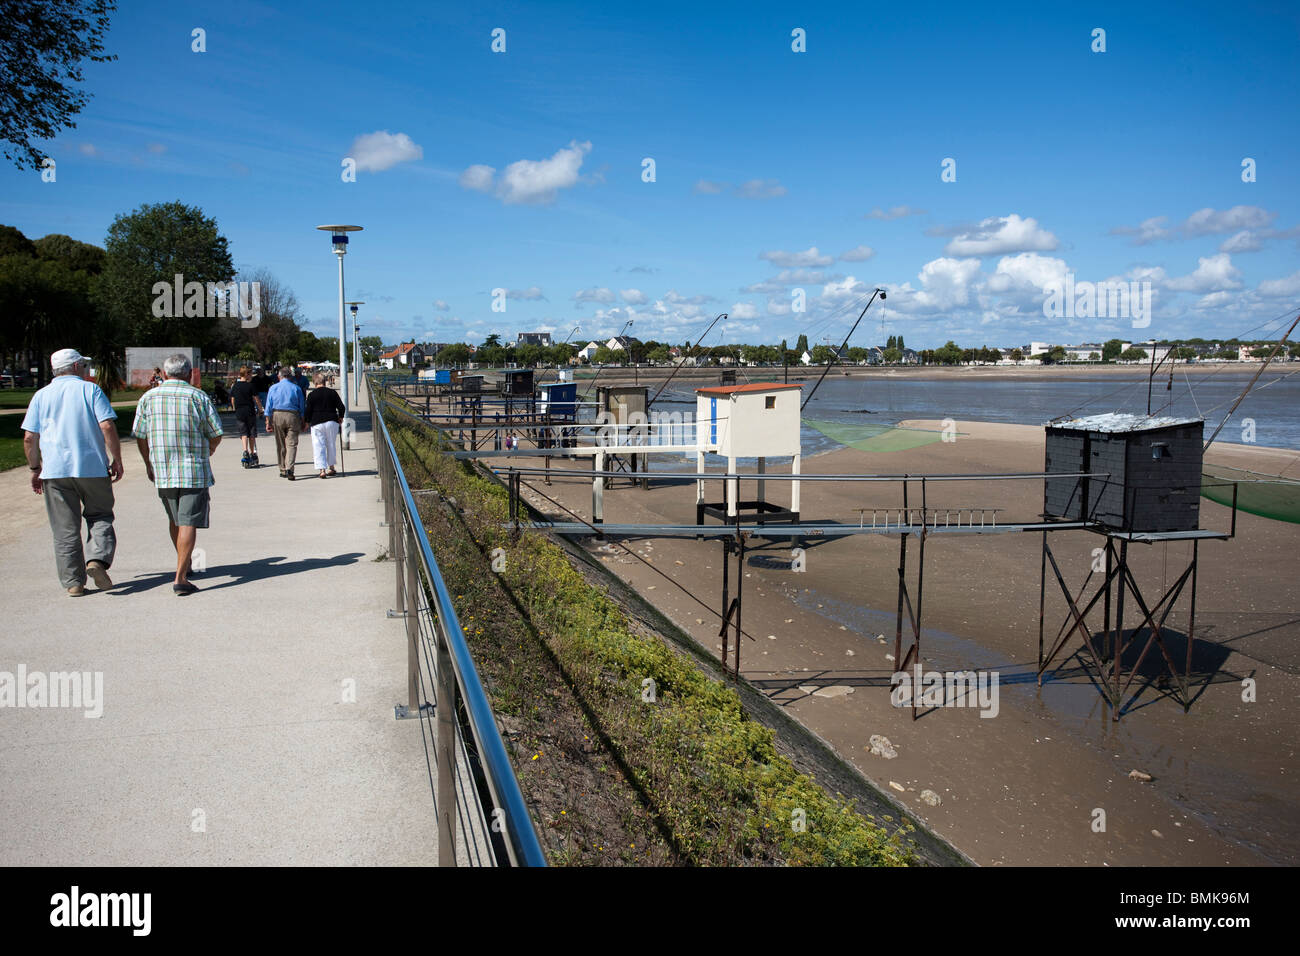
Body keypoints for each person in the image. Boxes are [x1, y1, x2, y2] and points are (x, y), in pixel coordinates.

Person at [20, 348, 125, 596]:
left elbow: (29, 438)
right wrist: (116, 459)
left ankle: (74, 582)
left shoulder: (41, 396)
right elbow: (107, 425)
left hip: (55, 470)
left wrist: (35, 468)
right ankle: (97, 560)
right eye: (84, 365)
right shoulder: (91, 390)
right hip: (92, 468)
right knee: (100, 516)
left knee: (64, 528)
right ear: (76, 367)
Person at [132, 353, 223, 596]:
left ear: (164, 373)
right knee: (188, 520)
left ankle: (184, 563)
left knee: (175, 519)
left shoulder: (148, 398)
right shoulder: (197, 397)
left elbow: (140, 435)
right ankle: (181, 577)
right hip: (193, 469)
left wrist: (148, 463)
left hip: (163, 468)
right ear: (190, 373)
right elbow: (215, 432)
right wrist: (210, 449)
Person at [264, 366, 306, 479]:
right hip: (293, 415)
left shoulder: (273, 388)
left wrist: (268, 421)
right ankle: (290, 469)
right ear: (290, 377)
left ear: (279, 376)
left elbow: (268, 406)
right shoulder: (296, 388)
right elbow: (302, 407)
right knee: (292, 444)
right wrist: (303, 421)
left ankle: (282, 469)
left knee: (280, 443)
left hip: (277, 414)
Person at [304, 372, 345, 478]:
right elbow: (341, 407)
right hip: (331, 421)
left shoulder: (312, 395)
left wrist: (306, 422)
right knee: (331, 444)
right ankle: (331, 467)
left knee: (318, 445)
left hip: (317, 422)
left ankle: (322, 470)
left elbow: (308, 410)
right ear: (325, 382)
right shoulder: (332, 393)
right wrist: (340, 417)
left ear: (314, 382)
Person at [228, 365, 263, 467]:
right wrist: (260, 410)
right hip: (249, 412)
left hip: (240, 412)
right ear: (247, 374)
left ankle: (245, 450)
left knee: (243, 433)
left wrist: (235, 407)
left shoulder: (236, 385)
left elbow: (232, 399)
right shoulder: (250, 385)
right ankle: (252, 452)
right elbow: (256, 399)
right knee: (251, 433)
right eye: (250, 373)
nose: (252, 375)